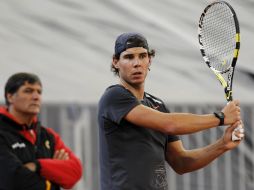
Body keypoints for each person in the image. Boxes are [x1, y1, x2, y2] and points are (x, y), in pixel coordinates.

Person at [97, 32, 244, 190]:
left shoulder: (158, 105)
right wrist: (221, 117)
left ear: (149, 60)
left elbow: (181, 163)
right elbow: (170, 124)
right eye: (129, 57)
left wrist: (222, 144)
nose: (137, 63)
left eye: (142, 56)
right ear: (115, 62)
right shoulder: (114, 96)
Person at [0, 72, 82, 190]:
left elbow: (75, 171)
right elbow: (13, 181)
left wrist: (37, 166)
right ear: (10, 97)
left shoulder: (48, 135)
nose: (36, 97)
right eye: (28, 91)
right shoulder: (3, 133)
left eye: (39, 92)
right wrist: (53, 177)